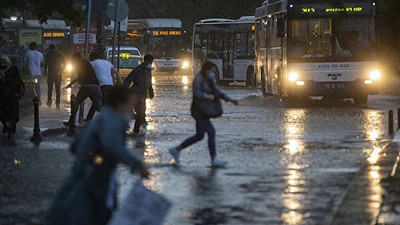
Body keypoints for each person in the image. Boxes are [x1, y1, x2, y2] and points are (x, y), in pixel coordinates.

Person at [45, 86, 149, 225]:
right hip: (95, 184)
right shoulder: (113, 120)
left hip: (83, 180)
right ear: (120, 104)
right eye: (130, 106)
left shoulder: (102, 118)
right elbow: (111, 144)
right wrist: (137, 164)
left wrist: (91, 155)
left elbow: (75, 145)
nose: (132, 111)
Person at [169, 61, 238, 167]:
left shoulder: (209, 79)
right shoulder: (199, 79)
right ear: (206, 69)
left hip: (204, 110)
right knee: (211, 132)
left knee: (199, 136)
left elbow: (217, 92)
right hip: (198, 110)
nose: (214, 73)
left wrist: (229, 99)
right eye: (212, 70)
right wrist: (207, 96)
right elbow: (196, 93)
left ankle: (176, 149)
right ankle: (214, 159)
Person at [63, 53, 102, 128]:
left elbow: (81, 77)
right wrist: (71, 83)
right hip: (96, 86)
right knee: (99, 106)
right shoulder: (87, 63)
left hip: (87, 86)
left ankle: (72, 121)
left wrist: (79, 85)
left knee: (76, 103)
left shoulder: (78, 64)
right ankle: (111, 120)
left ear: (75, 59)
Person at [85, 52, 123, 121]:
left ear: (92, 58)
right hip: (110, 84)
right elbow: (116, 73)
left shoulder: (93, 63)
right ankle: (89, 118)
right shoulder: (107, 62)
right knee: (99, 101)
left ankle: (109, 119)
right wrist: (120, 83)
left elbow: (85, 73)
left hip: (101, 85)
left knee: (101, 103)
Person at [123, 54, 155, 134]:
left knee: (142, 114)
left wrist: (151, 92)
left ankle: (138, 131)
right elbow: (128, 80)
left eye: (151, 62)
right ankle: (135, 131)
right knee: (140, 113)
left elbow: (149, 83)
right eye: (149, 62)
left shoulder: (148, 71)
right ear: (145, 61)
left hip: (143, 96)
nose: (150, 63)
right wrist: (123, 91)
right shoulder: (137, 70)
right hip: (135, 95)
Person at [0, 54, 24, 146]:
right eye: (1, 62)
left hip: (12, 96)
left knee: (12, 115)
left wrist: (19, 92)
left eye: (3, 62)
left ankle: (10, 130)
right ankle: (6, 125)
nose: (2, 64)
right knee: (2, 114)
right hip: (2, 97)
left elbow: (19, 81)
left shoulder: (13, 69)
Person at [44, 44, 65, 108]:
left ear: (50, 49)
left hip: (50, 73)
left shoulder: (48, 55)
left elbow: (46, 65)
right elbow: (65, 64)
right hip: (58, 73)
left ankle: (49, 102)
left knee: (50, 88)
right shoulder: (61, 54)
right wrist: (61, 71)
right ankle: (57, 103)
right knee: (58, 88)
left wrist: (45, 73)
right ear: (55, 48)